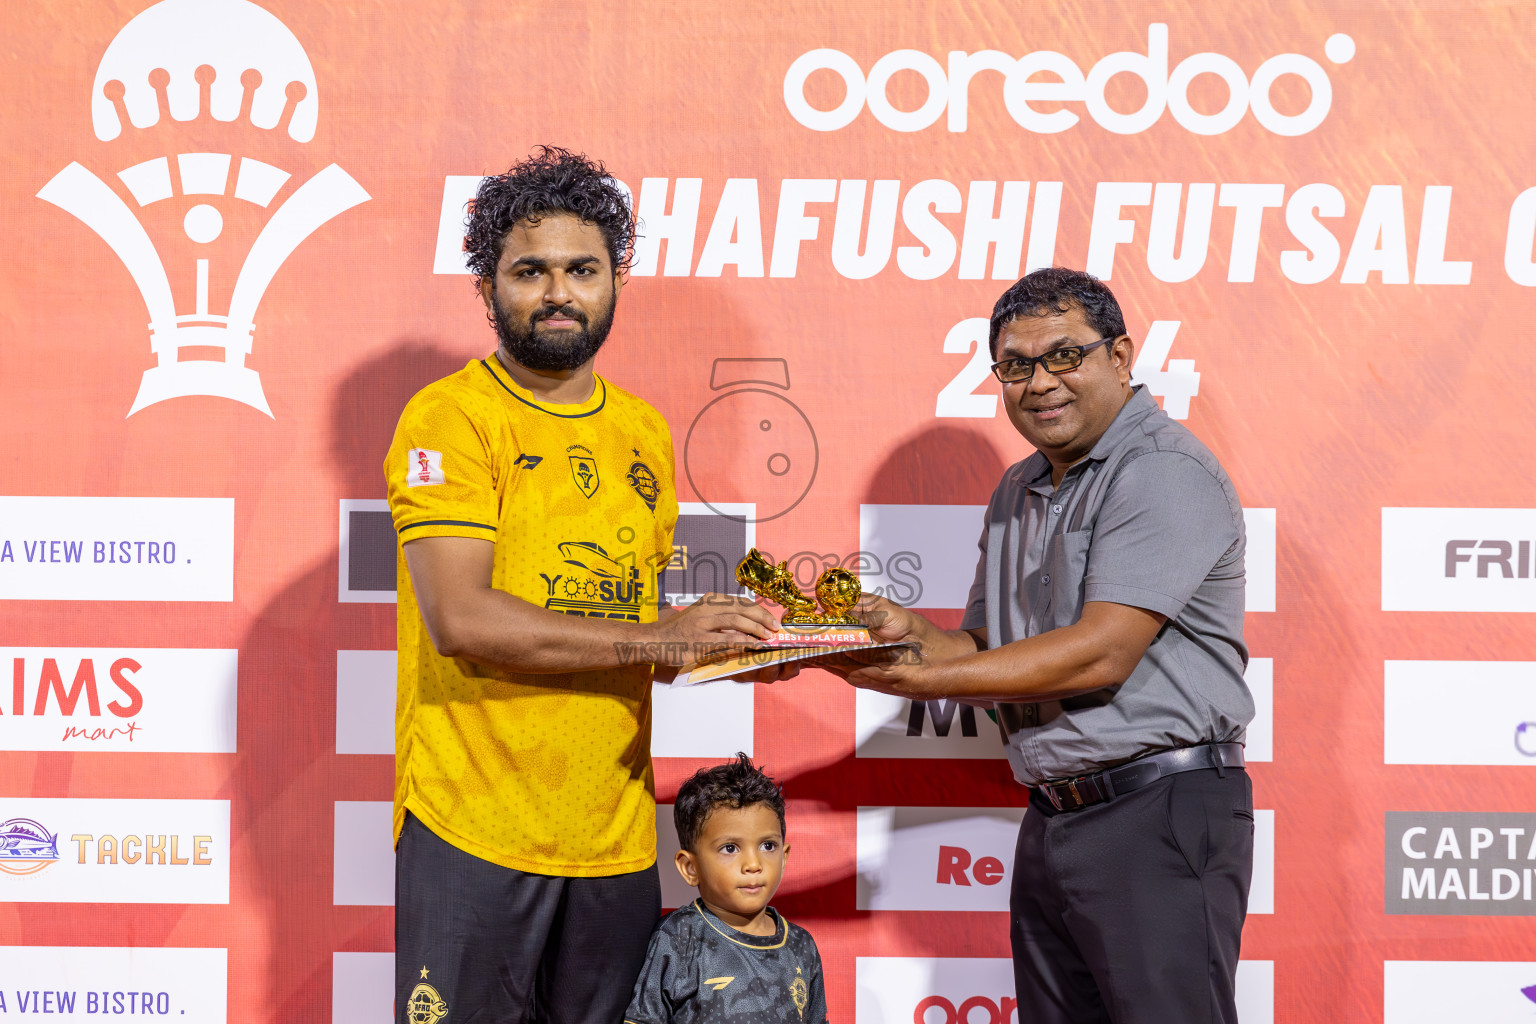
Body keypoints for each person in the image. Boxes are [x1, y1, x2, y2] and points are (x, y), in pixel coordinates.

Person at [384, 147, 783, 1024]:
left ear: (616, 282)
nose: (557, 291)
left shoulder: (641, 431)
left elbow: (626, 634)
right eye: (529, 270)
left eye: (581, 269)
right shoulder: (449, 416)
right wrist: (666, 638)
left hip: (611, 838)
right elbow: (462, 618)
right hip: (472, 827)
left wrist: (750, 650)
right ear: (486, 289)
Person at [842, 267, 1254, 1024]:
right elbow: (978, 645)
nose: (1039, 382)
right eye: (1016, 365)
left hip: (1156, 810)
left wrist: (920, 681)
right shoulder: (1017, 489)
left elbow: (1101, 653)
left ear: (1121, 357)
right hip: (1055, 818)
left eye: (1064, 355)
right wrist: (891, 641)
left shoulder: (1161, 471)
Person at [625, 753, 828, 1024]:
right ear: (690, 867)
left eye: (768, 846)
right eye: (730, 848)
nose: (753, 864)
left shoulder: (802, 945)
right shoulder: (677, 939)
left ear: (785, 856)